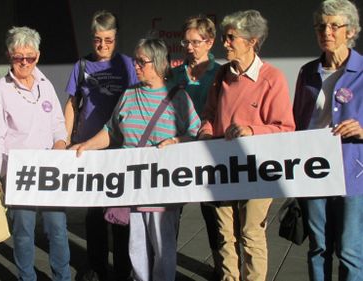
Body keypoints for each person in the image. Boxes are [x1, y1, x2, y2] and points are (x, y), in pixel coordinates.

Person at [73, 38, 201, 281]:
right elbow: (111, 131)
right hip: (134, 189)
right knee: (137, 250)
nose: (136, 67)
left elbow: (195, 133)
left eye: (142, 62)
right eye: (135, 61)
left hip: (164, 189)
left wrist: (177, 141)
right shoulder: (129, 95)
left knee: (164, 252)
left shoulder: (179, 98)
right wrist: (86, 145)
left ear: (160, 63)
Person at [198, 10, 295, 281]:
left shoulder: (272, 78)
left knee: (251, 233)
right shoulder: (221, 74)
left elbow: (285, 128)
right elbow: (209, 115)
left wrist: (251, 130)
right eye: (224, 37)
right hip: (223, 167)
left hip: (258, 169)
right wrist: (205, 132)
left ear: (252, 41)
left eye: (231, 38)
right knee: (224, 232)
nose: (224, 43)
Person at [0, 26, 70, 281]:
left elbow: (58, 124)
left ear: (38, 56)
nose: (24, 62)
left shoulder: (46, 85)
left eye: (30, 57)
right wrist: (6, 174)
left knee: (58, 229)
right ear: (8, 55)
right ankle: (26, 278)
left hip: (50, 172)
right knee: (23, 233)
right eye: (18, 57)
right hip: (20, 175)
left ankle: (62, 277)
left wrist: (60, 145)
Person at [63, 10, 138, 281]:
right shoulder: (81, 66)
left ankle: (122, 269)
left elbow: (136, 101)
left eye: (108, 40)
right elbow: (72, 105)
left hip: (119, 149)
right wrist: (66, 140)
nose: (102, 46)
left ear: (116, 38)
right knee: (94, 212)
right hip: (88, 147)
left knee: (120, 214)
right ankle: (96, 267)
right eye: (97, 40)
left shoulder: (127, 65)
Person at [292, 1, 363, 280]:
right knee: (318, 247)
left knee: (349, 250)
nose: (327, 32)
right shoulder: (307, 72)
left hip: (353, 173)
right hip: (315, 173)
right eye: (321, 26)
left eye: (335, 25)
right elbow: (297, 122)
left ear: (351, 30)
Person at [169, 15, 220, 278]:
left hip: (209, 154)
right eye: (186, 42)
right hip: (177, 152)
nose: (189, 47)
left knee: (214, 216)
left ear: (209, 42)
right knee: (171, 214)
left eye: (195, 42)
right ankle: (165, 265)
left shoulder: (220, 73)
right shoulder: (175, 74)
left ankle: (221, 268)